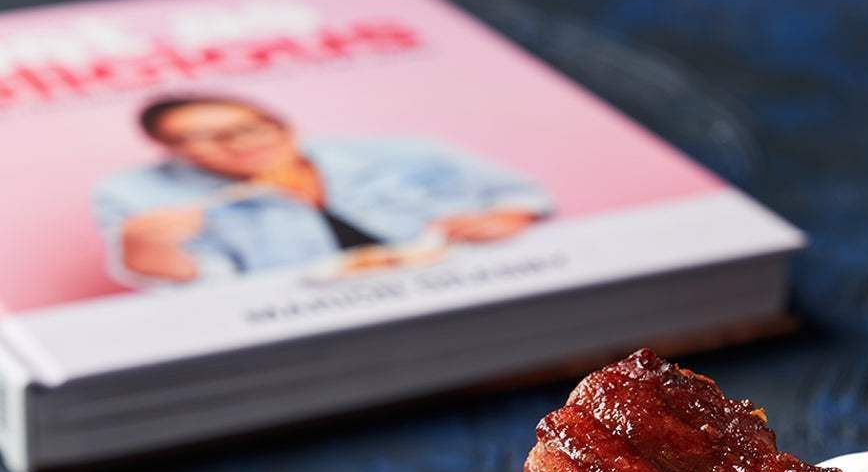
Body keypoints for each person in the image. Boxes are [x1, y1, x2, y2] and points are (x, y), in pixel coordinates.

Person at [94, 95, 553, 285]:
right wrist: (144, 253)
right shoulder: (138, 198)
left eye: (249, 127)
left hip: (462, 279)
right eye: (203, 139)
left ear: (284, 125)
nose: (238, 144)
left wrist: (509, 217)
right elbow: (214, 286)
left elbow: (519, 193)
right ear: (171, 151)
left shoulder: (398, 152)